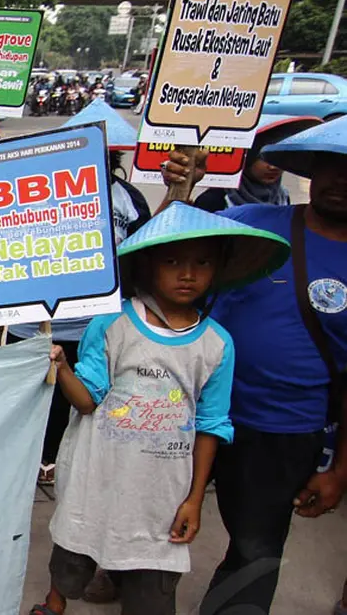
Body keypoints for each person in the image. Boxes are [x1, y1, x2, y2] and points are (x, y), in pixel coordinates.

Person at [31, 202, 290, 615]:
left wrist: (193, 498)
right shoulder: (112, 322)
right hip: (95, 478)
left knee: (152, 586)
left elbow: (211, 424)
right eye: (172, 261)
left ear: (218, 268)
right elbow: (86, 400)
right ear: (148, 265)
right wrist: (60, 366)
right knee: (73, 554)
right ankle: (53, 603)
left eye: (201, 262)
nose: (187, 274)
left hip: (162, 493)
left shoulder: (217, 344)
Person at [161, 116, 347, 614]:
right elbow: (158, 254)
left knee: (255, 547)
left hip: (283, 431)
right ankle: (123, 581)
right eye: (333, 166)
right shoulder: (251, 222)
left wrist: (339, 469)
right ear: (313, 170)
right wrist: (180, 190)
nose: (341, 180)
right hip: (185, 408)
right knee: (152, 520)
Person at [9, 100, 153, 488]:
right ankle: (32, 463)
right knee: (35, 404)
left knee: (88, 401)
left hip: (99, 327)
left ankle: (68, 464)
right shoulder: (35, 190)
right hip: (38, 326)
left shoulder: (129, 199)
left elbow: (145, 253)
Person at [194, 115, 322, 213]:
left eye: (277, 158)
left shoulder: (282, 197)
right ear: (247, 158)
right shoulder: (214, 201)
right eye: (262, 157)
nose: (273, 166)